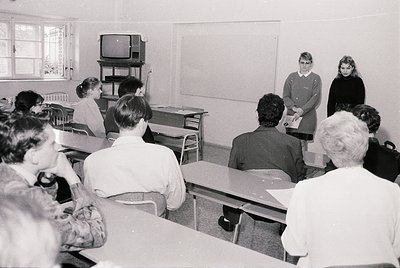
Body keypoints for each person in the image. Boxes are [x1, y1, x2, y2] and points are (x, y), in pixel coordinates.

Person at [282, 111, 400, 268]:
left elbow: (294, 247)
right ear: (365, 146)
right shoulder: (392, 190)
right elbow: (396, 249)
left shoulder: (305, 189)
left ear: (328, 148)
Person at [0, 113, 107, 251]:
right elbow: (96, 235)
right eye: (52, 144)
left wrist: (47, 183)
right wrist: (72, 177)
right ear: (33, 156)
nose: (58, 147)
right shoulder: (34, 202)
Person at [84, 94, 186, 213]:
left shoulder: (92, 161)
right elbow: (176, 202)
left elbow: (90, 202)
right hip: (154, 224)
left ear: (117, 122)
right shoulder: (165, 156)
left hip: (112, 223)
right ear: (143, 122)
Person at [218, 93, 306, 232]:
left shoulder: (239, 141)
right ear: (281, 118)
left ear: (257, 114)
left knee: (234, 181)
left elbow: (232, 176)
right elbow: (299, 178)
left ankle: (230, 220)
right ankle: (287, 224)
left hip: (248, 202)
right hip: (280, 206)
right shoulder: (293, 143)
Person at [325, 104, 400, 182]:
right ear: (376, 130)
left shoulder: (341, 155)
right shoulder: (394, 158)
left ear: (352, 128)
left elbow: (328, 181)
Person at [282, 52, 322, 152]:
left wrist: (301, 111)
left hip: (307, 118)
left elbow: (315, 99)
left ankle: (301, 166)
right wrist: (294, 108)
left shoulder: (316, 79)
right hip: (292, 116)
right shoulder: (291, 77)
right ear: (299, 62)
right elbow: (286, 96)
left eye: (307, 63)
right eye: (302, 62)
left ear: (311, 64)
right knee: (289, 143)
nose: (304, 65)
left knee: (302, 144)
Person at [104, 77, 155, 143]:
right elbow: (150, 142)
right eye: (140, 93)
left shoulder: (110, 111)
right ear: (130, 96)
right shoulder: (136, 114)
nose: (142, 96)